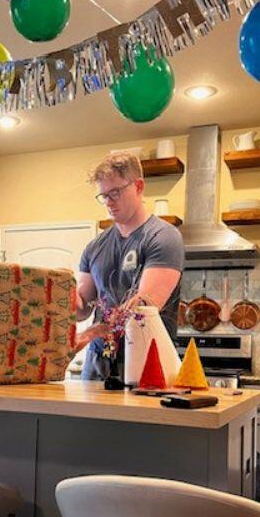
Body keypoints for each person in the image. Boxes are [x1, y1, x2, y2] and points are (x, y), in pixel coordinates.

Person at [75, 151, 185, 381]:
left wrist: (90, 333)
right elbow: (82, 307)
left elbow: (144, 309)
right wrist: (56, 293)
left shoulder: (163, 237)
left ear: (138, 186)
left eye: (115, 192)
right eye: (103, 195)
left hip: (147, 366)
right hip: (97, 366)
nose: (108, 202)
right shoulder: (94, 247)